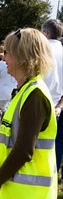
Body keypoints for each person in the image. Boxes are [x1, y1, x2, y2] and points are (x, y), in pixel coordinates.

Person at [0, 28, 57, 199]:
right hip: (18, 195)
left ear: (22, 56)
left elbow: (24, 150)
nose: (3, 57)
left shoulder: (34, 94)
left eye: (7, 52)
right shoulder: (26, 90)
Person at [41, 19, 63, 175]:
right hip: (59, 104)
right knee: (59, 142)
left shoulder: (43, 51)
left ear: (46, 33)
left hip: (43, 104)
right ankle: (54, 174)